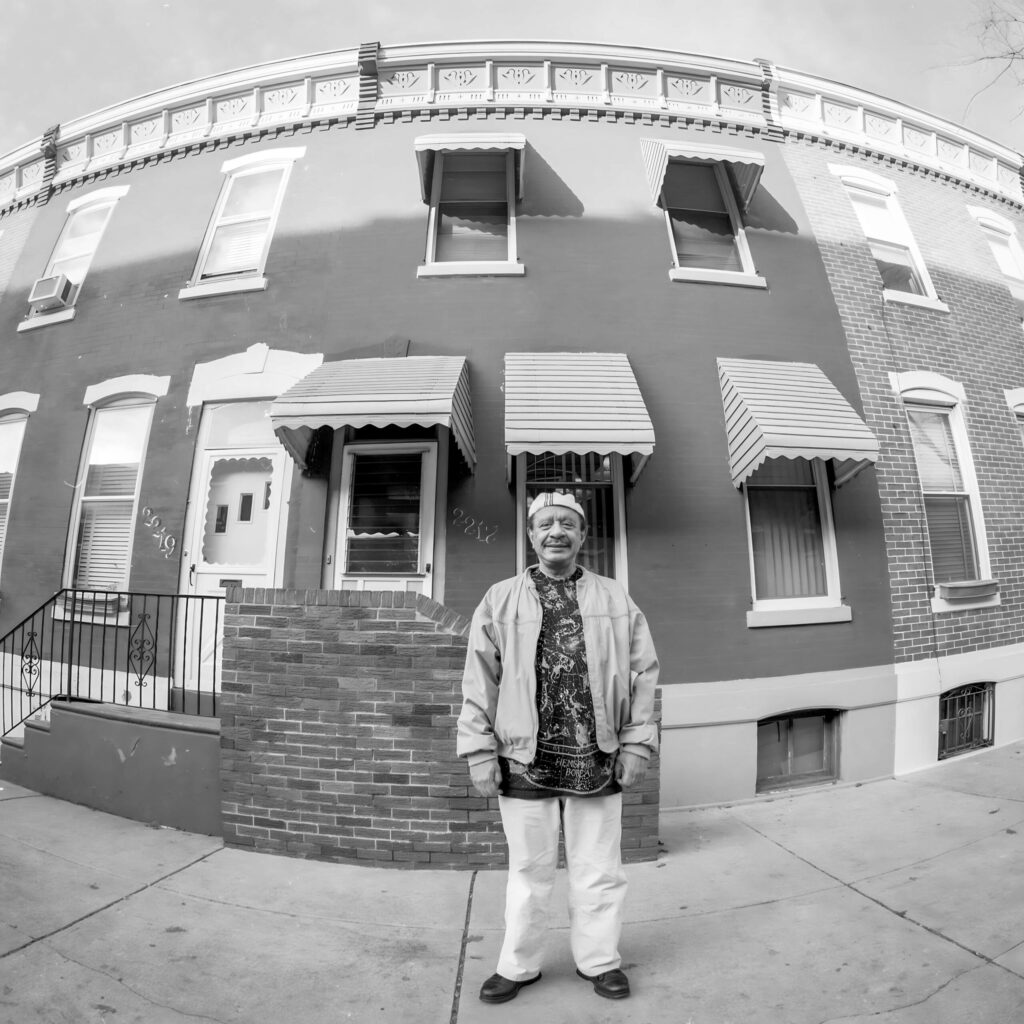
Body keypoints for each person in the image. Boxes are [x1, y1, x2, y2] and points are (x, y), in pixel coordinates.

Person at [457, 491, 660, 1004]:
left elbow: (643, 674)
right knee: (529, 871)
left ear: (583, 536)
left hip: (599, 754)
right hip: (524, 759)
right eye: (545, 523)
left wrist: (637, 744)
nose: (556, 532)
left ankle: (599, 961)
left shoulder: (615, 597)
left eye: (568, 524)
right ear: (531, 535)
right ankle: (519, 965)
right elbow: (479, 680)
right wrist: (480, 752)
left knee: (599, 870)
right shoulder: (500, 598)